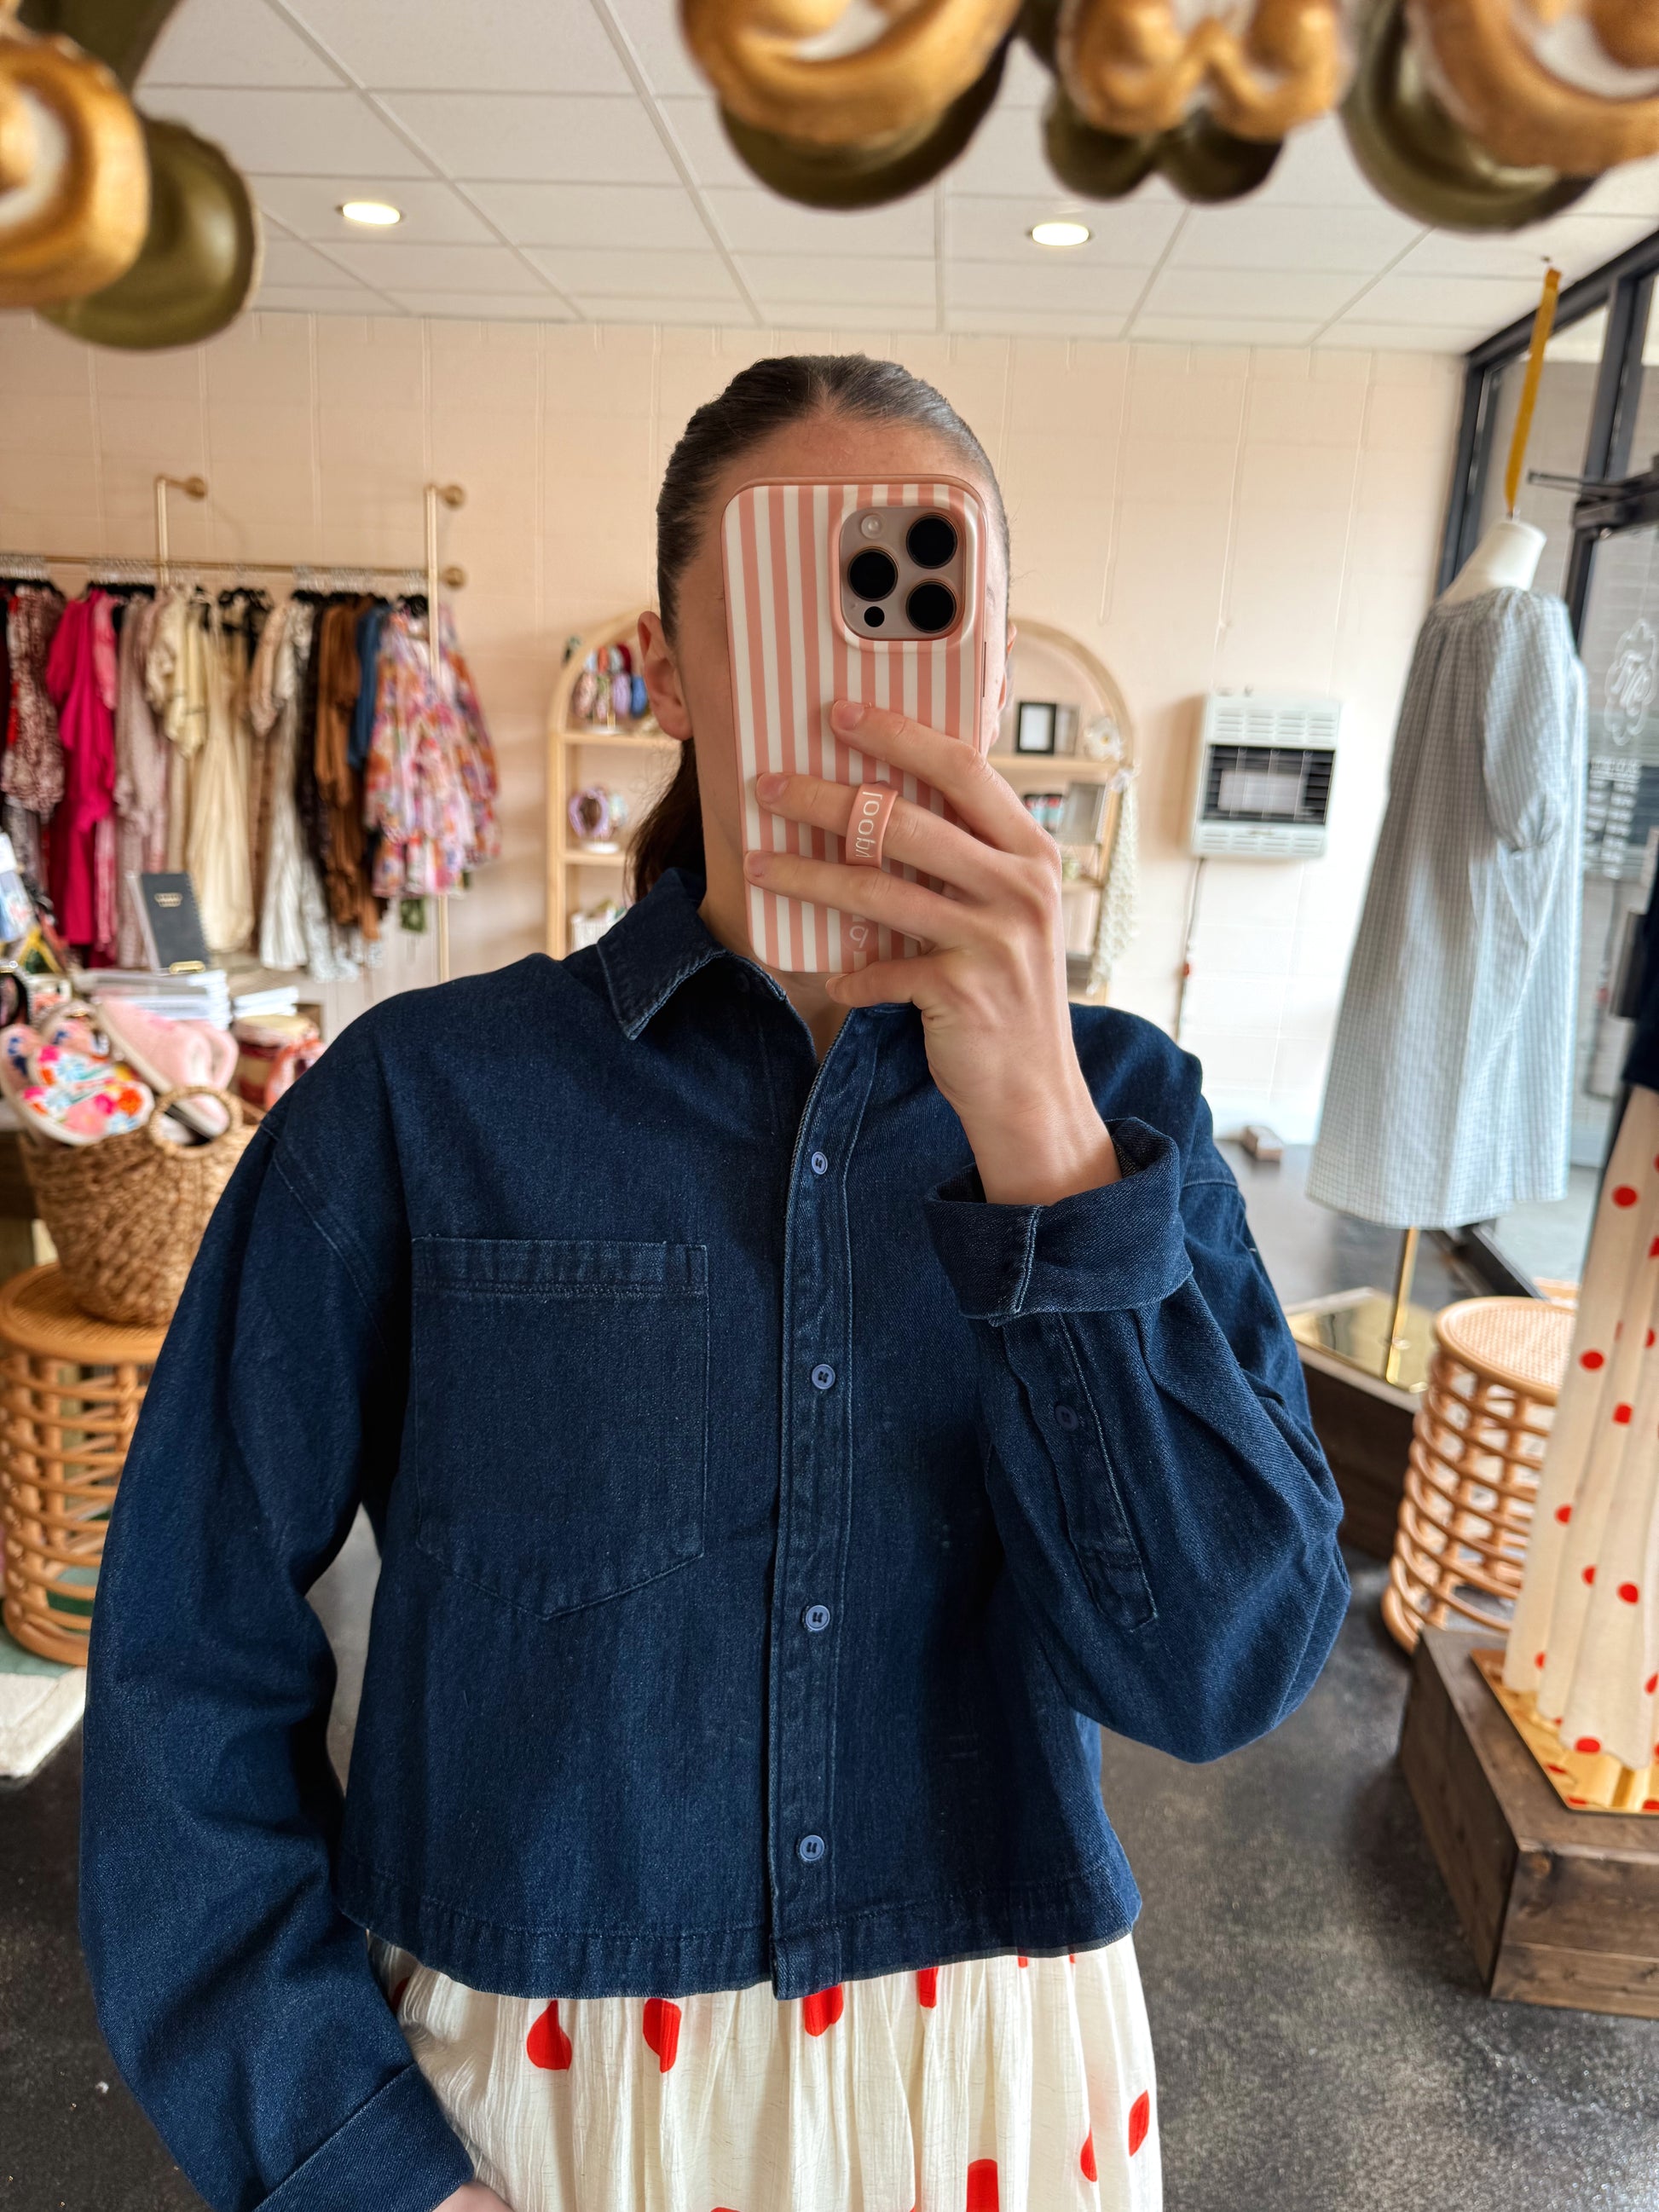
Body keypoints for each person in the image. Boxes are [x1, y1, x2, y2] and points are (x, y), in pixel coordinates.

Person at [80, 355, 1349, 2212]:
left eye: (918, 597)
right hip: (530, 2099)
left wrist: (1039, 1148)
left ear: (989, 656)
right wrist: (346, 2156)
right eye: (785, 599)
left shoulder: (1123, 1116)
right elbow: (181, 1645)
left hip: (990, 2083)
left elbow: (1218, 1670)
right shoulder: (426, 1104)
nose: (857, 673)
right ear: (667, 671)